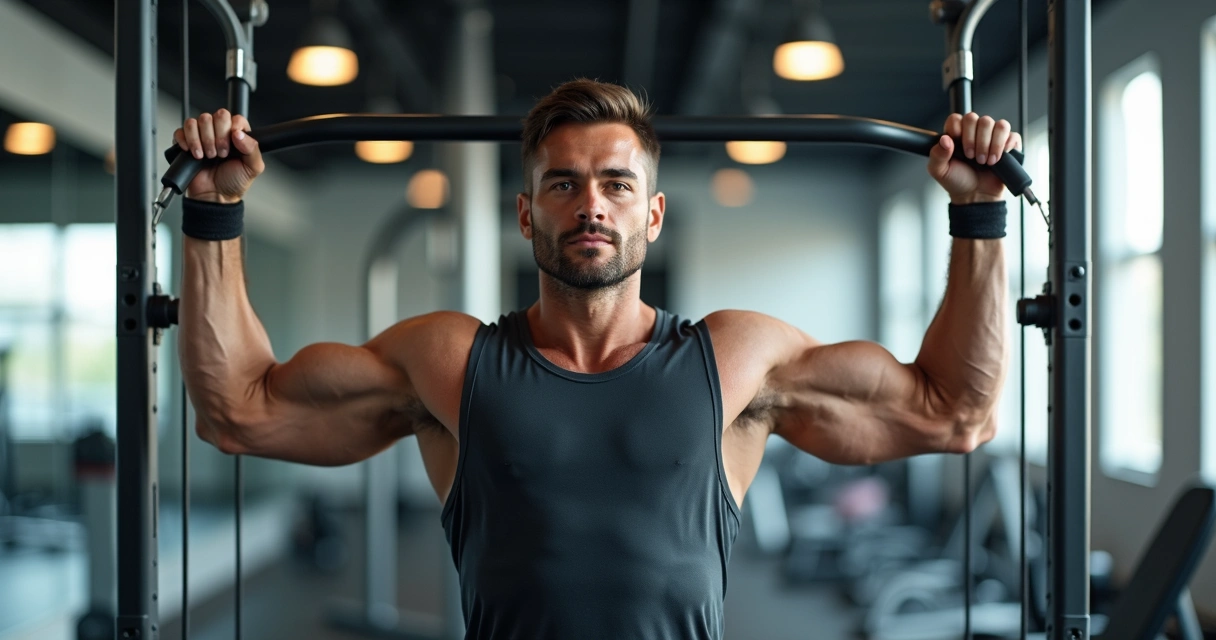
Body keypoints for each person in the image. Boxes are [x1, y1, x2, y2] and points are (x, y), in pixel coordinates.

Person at [174, 78, 1018, 639]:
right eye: (563, 183)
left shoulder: (736, 359)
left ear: (652, 216)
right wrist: (214, 213)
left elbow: (956, 412)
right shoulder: (450, 362)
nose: (591, 206)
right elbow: (239, 412)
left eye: (616, 184)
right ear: (524, 214)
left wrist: (979, 217)